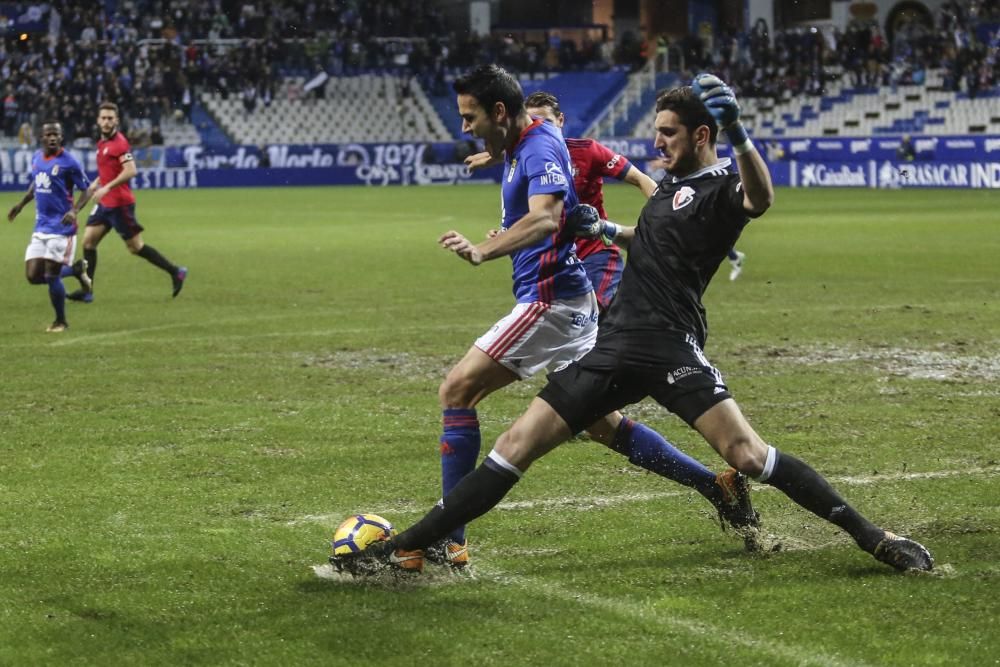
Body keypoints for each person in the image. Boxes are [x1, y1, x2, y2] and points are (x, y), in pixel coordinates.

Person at [339, 74, 933, 576]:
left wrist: (744, 136)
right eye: (657, 131)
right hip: (615, 343)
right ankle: (405, 546)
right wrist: (604, 231)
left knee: (748, 454)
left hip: (670, 347)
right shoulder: (670, 186)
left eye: (668, 133)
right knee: (514, 445)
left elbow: (760, 200)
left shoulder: (724, 185)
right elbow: (651, 240)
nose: (657, 142)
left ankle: (874, 538)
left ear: (703, 135)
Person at [345, 64, 759, 574]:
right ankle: (713, 484)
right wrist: (495, 152)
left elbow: (544, 217)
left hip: (549, 301)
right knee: (601, 426)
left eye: (470, 116)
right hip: (566, 299)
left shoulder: (541, 146)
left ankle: (445, 538)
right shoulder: (523, 143)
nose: (464, 126)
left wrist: (482, 250)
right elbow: (520, 152)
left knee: (458, 390)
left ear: (500, 111)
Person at [465, 91, 658, 312]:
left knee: (593, 315)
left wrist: (661, 212)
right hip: (556, 259)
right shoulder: (528, 157)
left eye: (545, 121)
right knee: (560, 322)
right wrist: (507, 232)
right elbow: (534, 212)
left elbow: (640, 178)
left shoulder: (588, 151)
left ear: (561, 120)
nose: (539, 128)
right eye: (533, 122)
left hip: (596, 253)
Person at [68, 101, 187, 303]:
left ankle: (176, 272)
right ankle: (88, 290)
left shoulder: (120, 143)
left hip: (120, 205)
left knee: (135, 247)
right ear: (98, 120)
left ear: (116, 120)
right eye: (103, 118)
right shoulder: (102, 143)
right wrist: (99, 182)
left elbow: (131, 170)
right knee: (88, 242)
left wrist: (106, 187)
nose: (106, 122)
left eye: (110, 118)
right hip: (105, 204)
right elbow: (108, 169)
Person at [7, 121, 93, 332]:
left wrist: (74, 211)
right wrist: (21, 204)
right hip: (41, 226)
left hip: (62, 228)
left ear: (61, 138)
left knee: (52, 275)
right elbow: (37, 183)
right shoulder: (37, 158)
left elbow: (87, 189)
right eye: (49, 134)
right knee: (33, 276)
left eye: (56, 134)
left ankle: (61, 321)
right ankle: (75, 270)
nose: (52, 137)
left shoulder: (69, 162)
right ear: (41, 137)